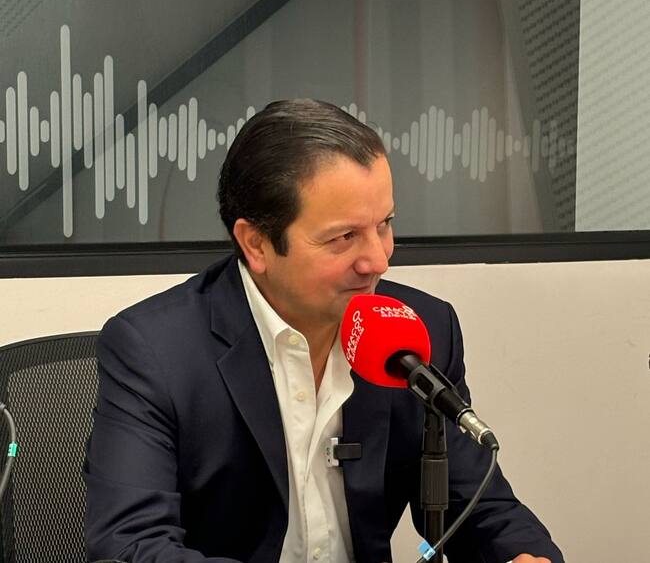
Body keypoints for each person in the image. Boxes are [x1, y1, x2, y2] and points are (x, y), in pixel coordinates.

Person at [85, 99, 564, 563]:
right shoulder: (154, 351)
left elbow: (479, 507)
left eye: (384, 224)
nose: (377, 260)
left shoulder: (419, 331)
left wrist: (521, 554)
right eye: (344, 237)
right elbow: (130, 545)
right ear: (256, 244)